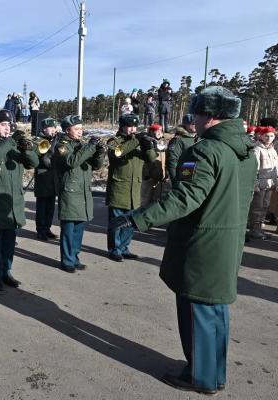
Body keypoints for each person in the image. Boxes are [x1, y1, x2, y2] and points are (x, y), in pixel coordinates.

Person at [110, 86, 256, 395]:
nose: (195, 118)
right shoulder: (245, 152)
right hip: (227, 244)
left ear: (212, 116)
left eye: (200, 112)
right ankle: (214, 373)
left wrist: (139, 218)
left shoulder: (204, 151)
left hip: (202, 245)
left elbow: (185, 197)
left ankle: (199, 377)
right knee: (215, 314)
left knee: (197, 315)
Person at [0, 110, 38, 290]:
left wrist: (27, 149)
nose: (8, 128)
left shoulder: (12, 143)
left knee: (9, 242)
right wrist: (11, 140)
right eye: (4, 125)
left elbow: (33, 163)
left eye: (10, 125)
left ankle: (6, 271)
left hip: (13, 202)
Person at [54, 116, 105, 272]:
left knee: (78, 230)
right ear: (67, 130)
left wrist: (99, 152)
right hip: (70, 193)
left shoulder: (82, 146)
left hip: (83, 192)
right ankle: (67, 261)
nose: (80, 131)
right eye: (76, 129)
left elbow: (96, 165)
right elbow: (72, 161)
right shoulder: (61, 146)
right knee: (69, 230)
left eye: (81, 128)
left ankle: (74, 257)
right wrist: (90, 147)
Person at [105, 113, 157, 262]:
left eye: (135, 126)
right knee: (117, 221)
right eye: (129, 126)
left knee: (131, 221)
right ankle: (115, 249)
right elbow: (117, 153)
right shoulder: (114, 141)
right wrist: (137, 140)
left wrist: (147, 146)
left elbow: (152, 159)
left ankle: (124, 247)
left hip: (134, 188)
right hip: (119, 187)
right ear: (122, 127)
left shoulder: (137, 142)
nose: (132, 129)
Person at [246, 126, 278, 240]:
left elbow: (275, 168)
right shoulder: (257, 149)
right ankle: (254, 229)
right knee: (257, 207)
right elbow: (254, 169)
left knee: (265, 206)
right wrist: (255, 184)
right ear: (261, 136)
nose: (269, 138)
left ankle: (259, 229)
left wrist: (276, 182)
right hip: (260, 184)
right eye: (267, 136)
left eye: (272, 136)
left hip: (270, 184)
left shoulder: (273, 150)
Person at [34, 117, 59, 241]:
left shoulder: (55, 139)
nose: (54, 130)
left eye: (55, 127)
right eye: (51, 128)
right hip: (43, 177)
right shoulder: (39, 140)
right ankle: (40, 230)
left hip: (53, 177)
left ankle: (47, 228)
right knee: (42, 206)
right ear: (44, 129)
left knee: (50, 206)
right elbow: (45, 159)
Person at [140, 124, 169, 206]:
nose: (159, 133)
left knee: (156, 201)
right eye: (157, 131)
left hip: (161, 177)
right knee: (145, 200)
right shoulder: (147, 142)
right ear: (151, 132)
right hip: (149, 177)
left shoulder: (163, 143)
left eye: (161, 131)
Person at [166, 114, 198, 183]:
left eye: (196, 123)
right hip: (184, 175)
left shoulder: (199, 138)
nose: (195, 125)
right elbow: (172, 160)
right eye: (192, 123)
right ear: (185, 124)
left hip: (197, 177)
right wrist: (174, 180)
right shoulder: (178, 140)